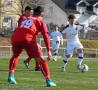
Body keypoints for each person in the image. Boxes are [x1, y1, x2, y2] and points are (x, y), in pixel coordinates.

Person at [8, 6, 56, 87]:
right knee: (41, 60)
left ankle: (11, 75)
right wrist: (48, 51)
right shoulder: (40, 21)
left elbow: (19, 30)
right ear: (42, 15)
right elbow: (45, 36)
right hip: (28, 39)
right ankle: (48, 80)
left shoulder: (25, 19)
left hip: (15, 38)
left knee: (15, 56)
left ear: (33, 13)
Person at [17, 6, 40, 71]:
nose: (31, 14)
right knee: (36, 51)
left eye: (32, 12)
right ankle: (35, 66)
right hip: (24, 38)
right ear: (26, 11)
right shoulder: (24, 18)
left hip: (26, 37)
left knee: (36, 51)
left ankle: (35, 66)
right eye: (30, 12)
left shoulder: (25, 18)